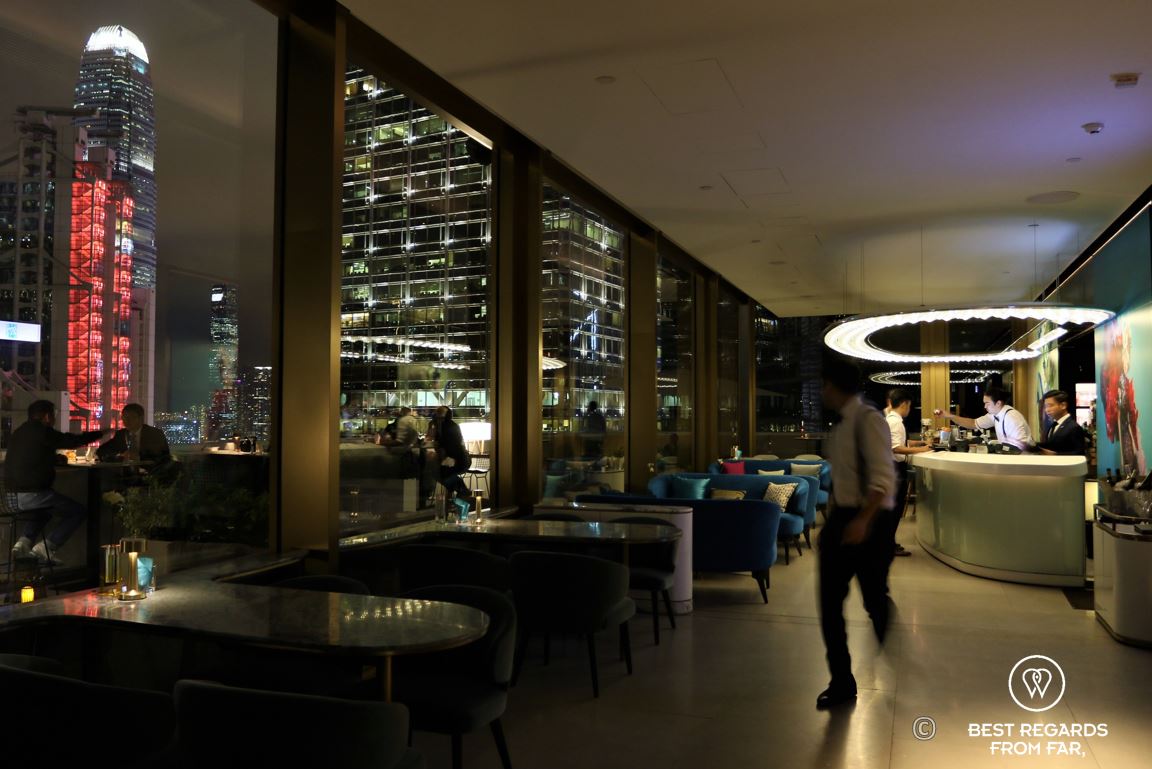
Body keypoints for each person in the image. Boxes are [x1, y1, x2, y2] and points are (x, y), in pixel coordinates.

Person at [817, 356, 897, 710]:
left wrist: (862, 520)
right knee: (830, 604)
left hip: (869, 521)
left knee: (873, 600)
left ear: (833, 386)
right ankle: (842, 681)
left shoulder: (869, 421)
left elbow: (882, 479)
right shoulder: (840, 427)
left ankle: (895, 650)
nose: (822, 392)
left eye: (824, 385)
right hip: (843, 520)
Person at [6, 400, 111, 565]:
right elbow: (71, 441)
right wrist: (100, 433)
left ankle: (22, 545)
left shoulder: (19, 432)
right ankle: (47, 547)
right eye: (54, 416)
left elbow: (33, 455)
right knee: (78, 511)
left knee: (44, 511)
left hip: (9, 497)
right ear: (48, 416)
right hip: (32, 493)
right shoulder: (43, 432)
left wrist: (53, 458)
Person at [885, 389, 932, 556]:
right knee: (894, 509)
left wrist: (918, 443)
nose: (909, 409)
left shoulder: (891, 420)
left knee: (892, 509)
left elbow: (899, 442)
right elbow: (896, 448)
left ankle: (888, 543)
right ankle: (888, 545)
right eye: (909, 406)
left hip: (889, 468)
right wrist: (923, 449)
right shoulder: (896, 422)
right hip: (894, 469)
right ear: (904, 404)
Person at [935, 386, 1033, 450]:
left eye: (987, 403)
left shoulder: (1011, 417)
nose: (985, 406)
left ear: (998, 403)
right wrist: (949, 416)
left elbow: (1022, 446)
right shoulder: (995, 414)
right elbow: (973, 423)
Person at [97, 403, 171, 464]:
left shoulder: (154, 434)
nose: (126, 420)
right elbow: (101, 451)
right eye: (124, 417)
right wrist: (120, 455)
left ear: (141, 418)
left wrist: (138, 457)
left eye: (131, 417)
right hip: (125, 475)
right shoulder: (121, 434)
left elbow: (162, 457)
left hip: (151, 474)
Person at [431, 406, 470, 497]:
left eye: (439, 415)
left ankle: (460, 489)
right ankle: (457, 491)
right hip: (455, 457)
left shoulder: (447, 426)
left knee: (441, 474)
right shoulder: (447, 425)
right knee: (441, 474)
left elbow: (449, 443)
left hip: (455, 458)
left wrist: (448, 456)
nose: (437, 417)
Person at [1034, 390, 1087, 456]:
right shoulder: (1053, 425)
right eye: (1046, 406)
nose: (1047, 410)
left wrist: (1055, 455)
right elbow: (1052, 445)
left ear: (1063, 405)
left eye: (1050, 406)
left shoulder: (1074, 427)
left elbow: (1079, 453)